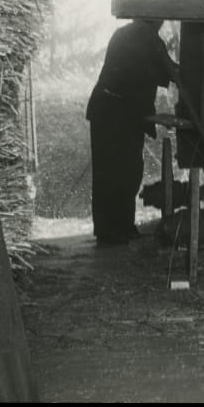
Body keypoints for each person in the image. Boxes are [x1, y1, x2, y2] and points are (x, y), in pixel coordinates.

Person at [85, 16, 179, 245]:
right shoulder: (148, 38)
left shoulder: (123, 34)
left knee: (109, 172)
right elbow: (172, 73)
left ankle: (111, 230)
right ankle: (118, 230)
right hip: (120, 113)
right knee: (126, 171)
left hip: (106, 109)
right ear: (154, 19)